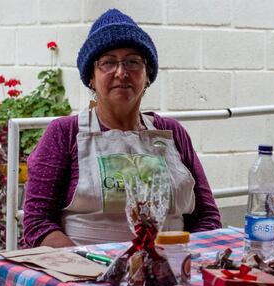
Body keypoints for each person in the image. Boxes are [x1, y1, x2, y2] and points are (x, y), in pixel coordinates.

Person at [23, 8, 221, 248]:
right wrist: (93, 266)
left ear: (147, 75)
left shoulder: (172, 132)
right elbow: (38, 223)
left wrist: (182, 258)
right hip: (87, 271)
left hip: (171, 267)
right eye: (108, 62)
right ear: (91, 78)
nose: (121, 72)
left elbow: (208, 218)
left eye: (133, 61)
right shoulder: (64, 133)